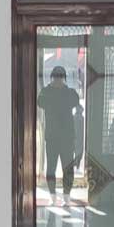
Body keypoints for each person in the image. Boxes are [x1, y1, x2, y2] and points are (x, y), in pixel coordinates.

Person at [37, 64, 83, 200]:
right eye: (56, 78)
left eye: (60, 78)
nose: (58, 80)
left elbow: (75, 100)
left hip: (64, 137)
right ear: (53, 78)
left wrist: (55, 91)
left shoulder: (62, 92)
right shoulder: (51, 92)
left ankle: (66, 194)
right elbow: (40, 102)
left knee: (66, 167)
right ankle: (53, 194)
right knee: (53, 167)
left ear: (63, 79)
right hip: (56, 137)